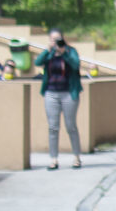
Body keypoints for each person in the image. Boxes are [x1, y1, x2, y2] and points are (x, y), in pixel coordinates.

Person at [35, 29, 83, 169]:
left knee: (71, 125)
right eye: (53, 39)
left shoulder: (70, 51)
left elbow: (75, 65)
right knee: (53, 127)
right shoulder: (49, 53)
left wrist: (64, 53)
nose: (56, 42)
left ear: (63, 38)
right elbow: (38, 62)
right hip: (51, 93)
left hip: (69, 93)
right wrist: (47, 50)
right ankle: (53, 159)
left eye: (58, 39)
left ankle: (76, 157)